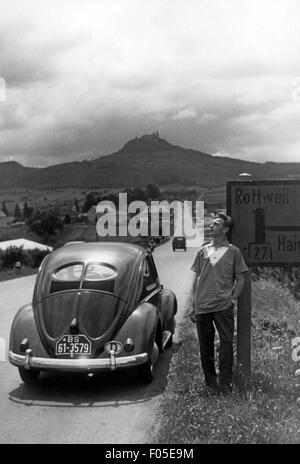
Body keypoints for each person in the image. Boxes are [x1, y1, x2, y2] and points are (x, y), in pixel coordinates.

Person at [190, 212, 248, 394]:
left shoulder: (233, 251)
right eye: (211, 224)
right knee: (205, 346)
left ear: (225, 229)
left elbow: (241, 278)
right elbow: (196, 278)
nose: (211, 226)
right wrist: (194, 303)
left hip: (223, 306)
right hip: (202, 306)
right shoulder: (203, 250)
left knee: (226, 342)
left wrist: (232, 298)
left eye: (215, 224)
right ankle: (210, 383)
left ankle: (225, 383)